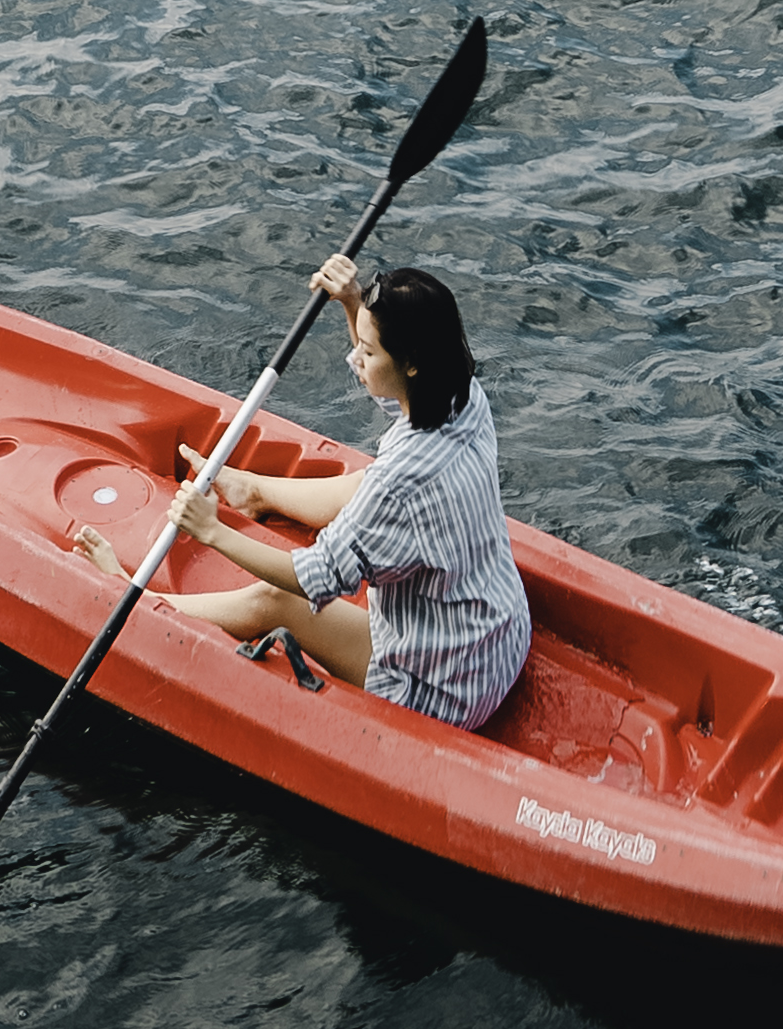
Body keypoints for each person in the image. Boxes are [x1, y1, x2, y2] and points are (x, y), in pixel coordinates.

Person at [183, 251, 532, 729]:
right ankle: (255, 492)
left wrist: (211, 531)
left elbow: (316, 577)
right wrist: (353, 303)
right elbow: (391, 393)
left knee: (271, 601)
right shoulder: (462, 396)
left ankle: (132, 597)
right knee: (368, 485)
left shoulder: (400, 482)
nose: (357, 359)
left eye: (368, 351)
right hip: (501, 639)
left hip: (439, 692)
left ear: (411, 363)